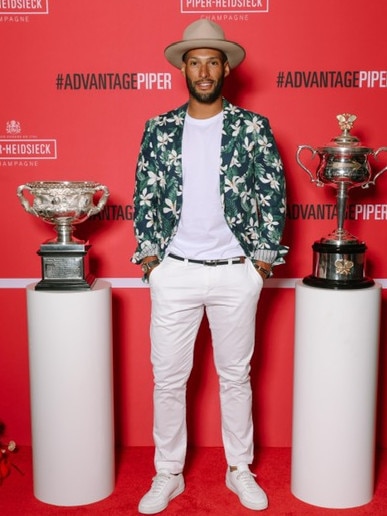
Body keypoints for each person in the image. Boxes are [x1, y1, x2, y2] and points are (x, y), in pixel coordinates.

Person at [132, 18, 288, 514]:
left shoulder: (252, 127)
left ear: (226, 68)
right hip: (174, 270)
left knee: (235, 376)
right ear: (184, 68)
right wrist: (153, 262)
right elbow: (144, 196)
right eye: (194, 62)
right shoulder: (159, 128)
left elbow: (274, 196)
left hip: (234, 272)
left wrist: (259, 266)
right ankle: (167, 474)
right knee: (168, 379)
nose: (203, 70)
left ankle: (239, 468)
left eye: (212, 61)